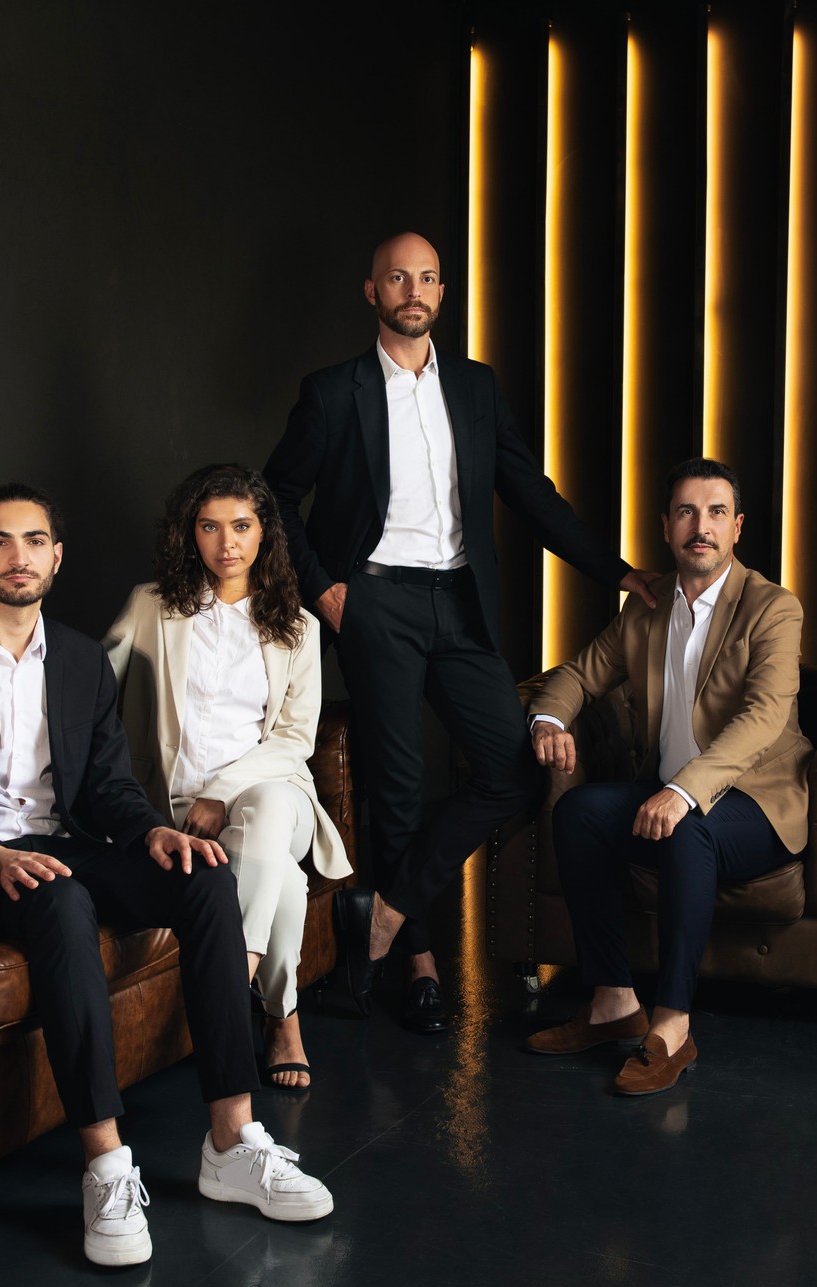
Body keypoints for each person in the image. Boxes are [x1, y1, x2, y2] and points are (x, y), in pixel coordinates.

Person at [0, 483, 332, 1270]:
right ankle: (107, 1163)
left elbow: (108, 786)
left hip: (64, 841)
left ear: (57, 556)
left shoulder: (80, 658)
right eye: (2, 541)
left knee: (206, 875)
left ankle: (230, 1138)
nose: (21, 557)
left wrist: (154, 831)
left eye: (36, 541)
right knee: (61, 896)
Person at [265, 231, 657, 1032]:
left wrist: (615, 571)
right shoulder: (334, 391)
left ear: (442, 293)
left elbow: (530, 491)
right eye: (399, 278)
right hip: (375, 602)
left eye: (430, 278)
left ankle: (385, 912)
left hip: (460, 602)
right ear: (371, 292)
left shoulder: (475, 388)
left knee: (513, 770)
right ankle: (419, 963)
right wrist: (326, 590)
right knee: (399, 787)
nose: (415, 290)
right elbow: (274, 495)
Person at [521, 459, 812, 1094]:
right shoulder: (647, 608)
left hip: (754, 804)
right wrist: (547, 720)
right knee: (578, 815)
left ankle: (672, 1026)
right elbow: (577, 674)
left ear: (736, 528)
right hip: (672, 793)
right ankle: (613, 1003)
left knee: (689, 831)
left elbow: (765, 717)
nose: (699, 527)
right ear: (666, 527)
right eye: (686, 512)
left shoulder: (773, 608)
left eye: (714, 514)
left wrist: (683, 792)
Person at [104, 464, 352, 1091]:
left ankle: (228, 979)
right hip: (176, 803)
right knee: (286, 888)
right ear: (191, 534)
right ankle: (282, 1020)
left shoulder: (297, 628)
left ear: (265, 532)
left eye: (241, 526)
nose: (227, 543)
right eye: (209, 527)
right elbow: (93, 694)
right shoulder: (150, 607)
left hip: (275, 795)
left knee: (266, 816)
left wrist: (220, 793)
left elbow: (294, 740)